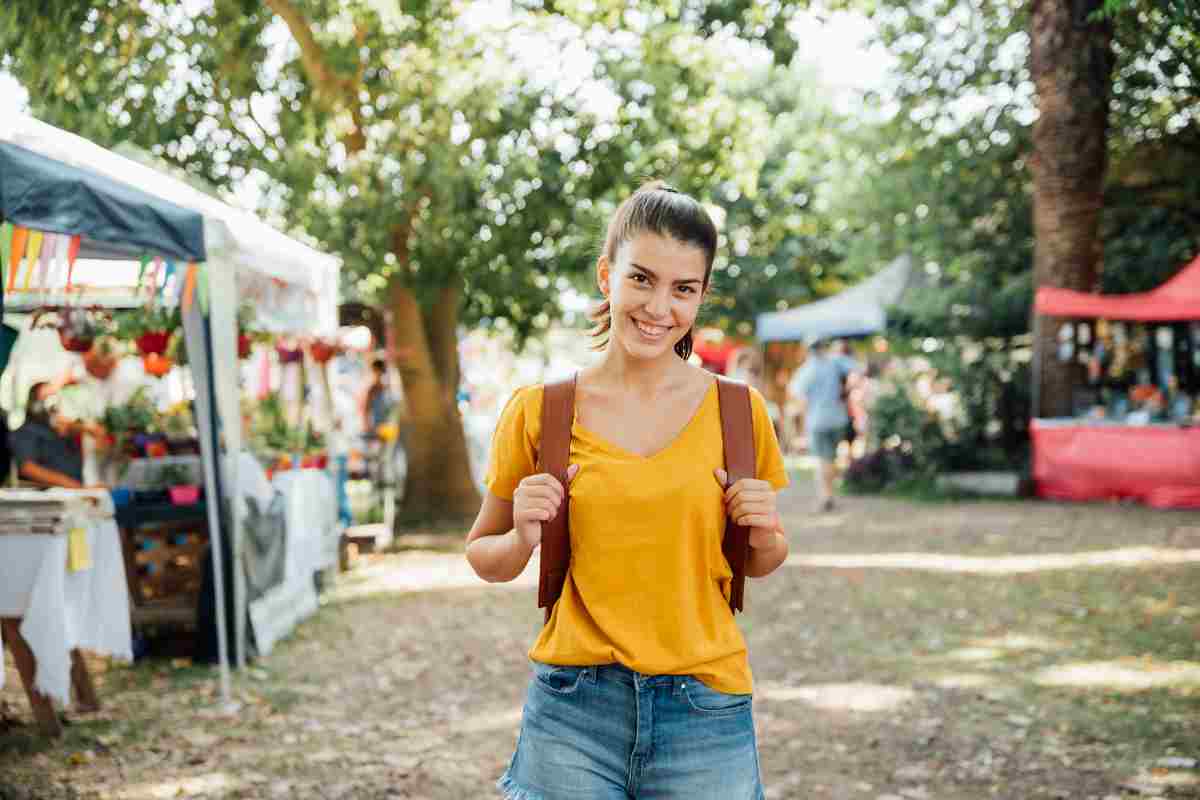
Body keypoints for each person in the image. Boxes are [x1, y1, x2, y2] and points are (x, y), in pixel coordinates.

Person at [466, 181, 790, 800]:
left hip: (706, 708)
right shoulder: (540, 412)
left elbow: (761, 559)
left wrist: (765, 528)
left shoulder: (739, 412)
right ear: (605, 275)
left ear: (700, 296)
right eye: (641, 279)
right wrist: (522, 537)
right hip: (573, 710)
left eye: (683, 288)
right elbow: (483, 554)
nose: (658, 306)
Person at [789, 336, 859, 512]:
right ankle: (830, 494)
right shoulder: (835, 362)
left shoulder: (807, 369)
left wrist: (804, 411)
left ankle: (825, 496)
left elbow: (795, 392)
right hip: (838, 418)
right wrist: (845, 391)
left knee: (822, 460)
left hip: (818, 420)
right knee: (832, 458)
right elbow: (857, 369)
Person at [9, 381, 108, 489]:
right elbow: (28, 468)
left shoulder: (69, 434)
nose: (56, 405)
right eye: (49, 399)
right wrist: (79, 488)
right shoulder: (27, 431)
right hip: (47, 499)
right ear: (36, 405)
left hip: (76, 495)